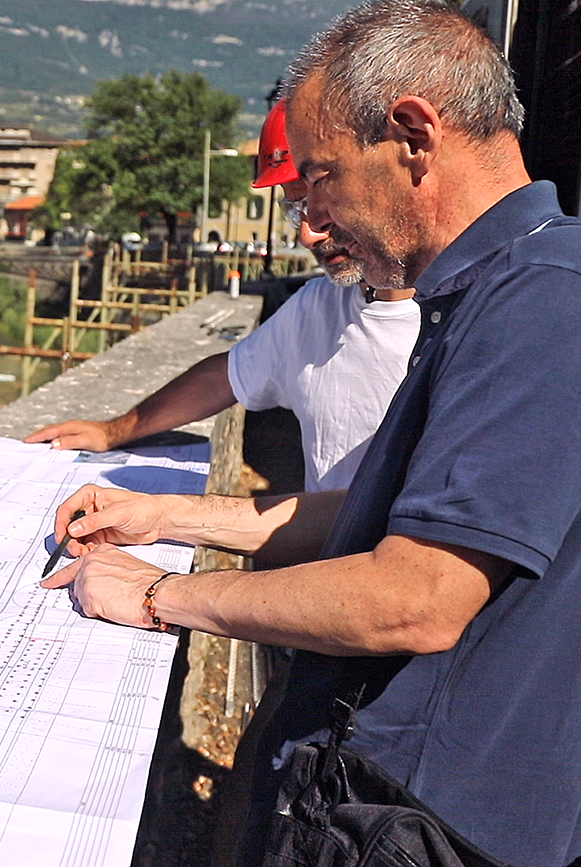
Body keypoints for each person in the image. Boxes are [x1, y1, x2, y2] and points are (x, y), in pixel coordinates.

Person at [40, 2, 581, 865]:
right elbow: (380, 518)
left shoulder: (543, 300)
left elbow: (416, 595)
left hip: (422, 819)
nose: (312, 218)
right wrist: (165, 517)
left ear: (412, 135)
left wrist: (157, 597)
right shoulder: (490, 293)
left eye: (321, 175)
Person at [24, 100, 420, 493]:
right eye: (296, 209)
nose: (307, 234)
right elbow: (224, 378)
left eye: (326, 199)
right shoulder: (318, 307)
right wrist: (113, 432)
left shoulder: (462, 324)